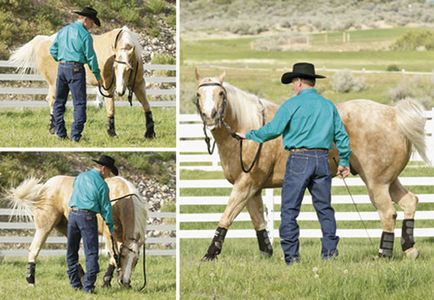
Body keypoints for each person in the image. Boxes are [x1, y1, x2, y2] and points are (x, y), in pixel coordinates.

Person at [238, 62, 351, 266]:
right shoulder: (328, 105)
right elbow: (341, 136)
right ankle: (329, 254)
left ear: (299, 82)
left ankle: (292, 257)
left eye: (292, 82)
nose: (292, 86)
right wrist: (343, 161)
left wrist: (250, 135)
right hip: (322, 160)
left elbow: (273, 129)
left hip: (299, 159)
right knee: (325, 209)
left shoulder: (291, 104)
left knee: (289, 210)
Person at [49, 7, 102, 142]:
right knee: (79, 103)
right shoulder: (85, 36)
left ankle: (60, 133)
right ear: (86, 20)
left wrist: (60, 59)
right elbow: (91, 57)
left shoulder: (63, 30)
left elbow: (53, 49)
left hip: (61, 68)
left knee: (59, 102)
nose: (92, 27)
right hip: (76, 70)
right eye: (92, 23)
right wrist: (97, 75)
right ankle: (75, 136)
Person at [66, 155, 118, 293]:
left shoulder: (80, 176)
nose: (109, 175)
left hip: (72, 215)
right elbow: (106, 208)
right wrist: (111, 228)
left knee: (71, 251)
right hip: (87, 217)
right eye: (109, 172)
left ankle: (75, 284)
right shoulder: (102, 185)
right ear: (103, 168)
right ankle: (88, 287)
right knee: (91, 253)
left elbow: (75, 193)